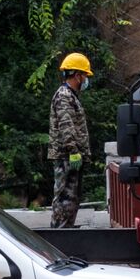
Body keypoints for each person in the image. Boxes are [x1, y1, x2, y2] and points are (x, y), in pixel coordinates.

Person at [49, 52, 92, 228]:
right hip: (66, 157)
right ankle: (59, 235)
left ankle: (65, 230)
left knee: (71, 198)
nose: (86, 80)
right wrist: (73, 151)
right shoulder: (64, 96)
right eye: (85, 75)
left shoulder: (71, 96)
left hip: (71, 156)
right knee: (64, 199)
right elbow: (66, 126)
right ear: (77, 75)